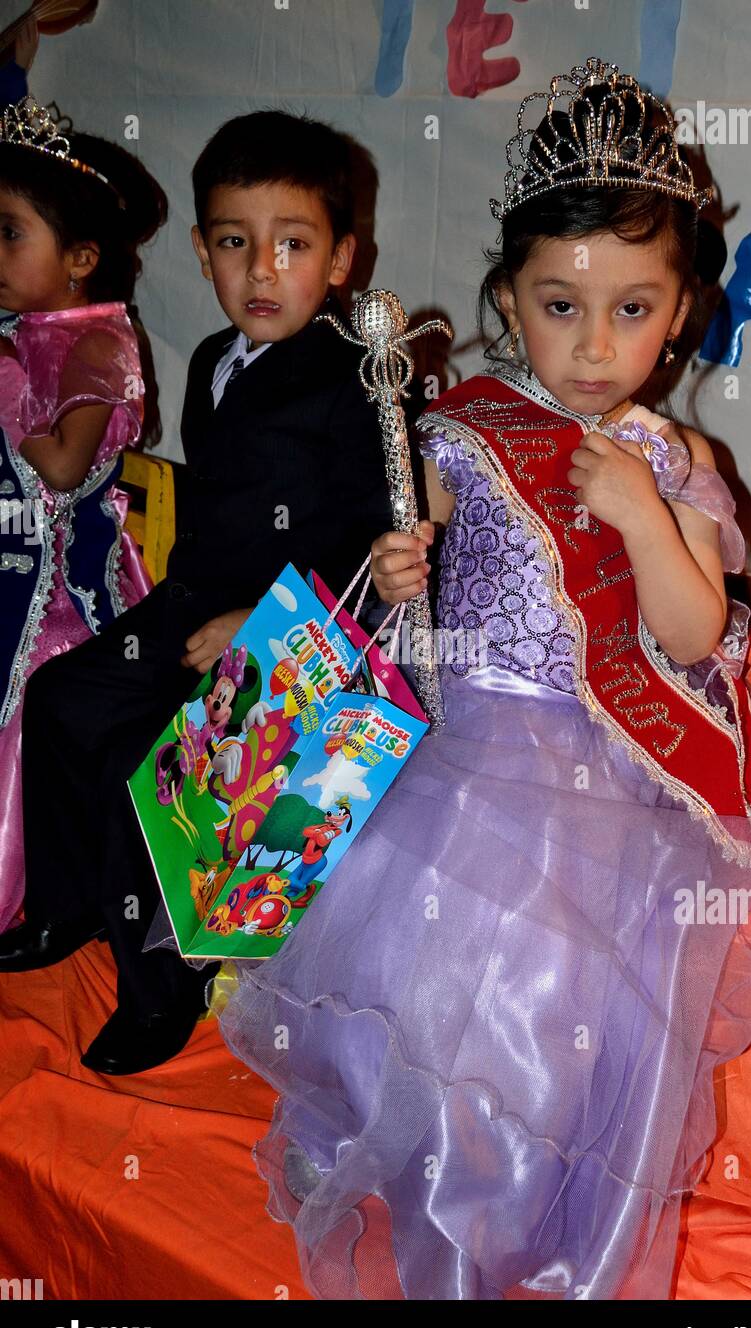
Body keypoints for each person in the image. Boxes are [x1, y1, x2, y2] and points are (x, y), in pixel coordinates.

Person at [215, 57, 751, 1300]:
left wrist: (645, 516)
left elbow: (686, 629)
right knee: (410, 996)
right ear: (508, 298)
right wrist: (401, 566)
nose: (593, 346)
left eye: (630, 311)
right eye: (559, 307)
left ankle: (514, 1221)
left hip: (596, 792)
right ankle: (415, 1176)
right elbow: (419, 565)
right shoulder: (464, 425)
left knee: (543, 1030)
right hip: (457, 756)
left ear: (679, 316)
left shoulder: (673, 454)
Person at [0, 109, 393, 1076]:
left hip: (301, 634)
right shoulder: (216, 360)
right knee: (61, 702)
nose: (261, 270)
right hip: (193, 604)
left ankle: (162, 987)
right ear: (203, 252)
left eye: (292, 245)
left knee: (155, 766)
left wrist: (262, 624)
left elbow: (371, 548)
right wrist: (195, 604)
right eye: (234, 243)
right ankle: (65, 903)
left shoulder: (357, 387)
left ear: (341, 260)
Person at [0, 95, 163, 934]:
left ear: (80, 258)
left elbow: (62, 467)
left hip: (63, 602)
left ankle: (48, 901)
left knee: (35, 722)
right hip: (9, 580)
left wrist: (5, 379)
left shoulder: (96, 342)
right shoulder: (23, 330)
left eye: (8, 232)